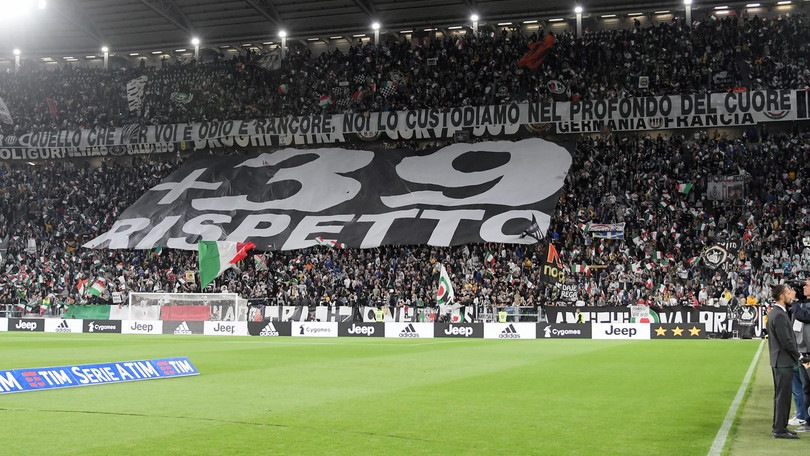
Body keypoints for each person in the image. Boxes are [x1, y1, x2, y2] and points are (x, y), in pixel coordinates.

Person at [767, 284, 802, 439]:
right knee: (783, 396)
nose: (791, 295)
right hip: (783, 361)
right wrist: (798, 356)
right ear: (781, 295)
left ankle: (779, 426)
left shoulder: (776, 313)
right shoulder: (779, 315)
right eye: (788, 293)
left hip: (778, 360)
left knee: (780, 395)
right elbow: (786, 341)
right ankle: (780, 429)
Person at [790, 278, 810, 431]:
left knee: (807, 388)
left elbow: (803, 316)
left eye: (807, 285)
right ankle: (806, 419)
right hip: (803, 352)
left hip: (808, 353)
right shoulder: (804, 304)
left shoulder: (802, 307)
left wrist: (796, 301)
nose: (804, 287)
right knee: (806, 388)